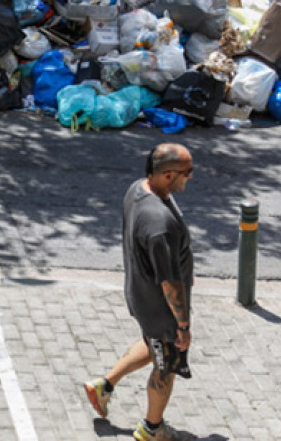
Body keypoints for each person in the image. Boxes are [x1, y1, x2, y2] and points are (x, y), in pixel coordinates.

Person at [84, 143, 195, 441]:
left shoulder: (138, 189)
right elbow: (170, 283)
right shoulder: (160, 223)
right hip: (159, 306)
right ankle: (152, 428)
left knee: (151, 343)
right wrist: (182, 325)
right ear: (168, 175)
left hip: (139, 292)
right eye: (187, 172)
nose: (191, 177)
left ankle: (103, 385)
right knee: (167, 363)